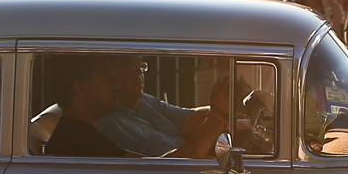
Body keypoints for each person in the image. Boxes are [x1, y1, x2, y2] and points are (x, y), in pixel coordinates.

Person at [94, 56, 224, 157]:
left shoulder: (145, 101)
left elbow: (192, 119)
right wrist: (220, 115)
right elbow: (171, 166)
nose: (138, 71)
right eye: (128, 65)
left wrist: (227, 107)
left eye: (140, 64)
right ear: (107, 73)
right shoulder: (109, 123)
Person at [41, 53, 137, 157]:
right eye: (108, 78)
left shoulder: (69, 137)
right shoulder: (80, 144)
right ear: (81, 88)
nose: (117, 85)